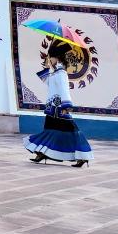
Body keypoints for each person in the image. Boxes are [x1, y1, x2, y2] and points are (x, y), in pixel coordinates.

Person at [24, 39, 93, 167]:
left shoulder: (61, 73)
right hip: (52, 108)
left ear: (57, 58)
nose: (50, 59)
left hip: (60, 109)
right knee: (49, 130)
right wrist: (46, 67)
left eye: (51, 57)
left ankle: (83, 157)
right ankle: (42, 153)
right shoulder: (55, 73)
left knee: (73, 132)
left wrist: (67, 106)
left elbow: (64, 90)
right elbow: (48, 83)